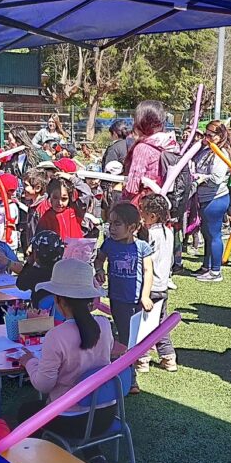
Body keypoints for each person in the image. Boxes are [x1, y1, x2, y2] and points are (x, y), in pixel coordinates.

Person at [16, 259, 116, 463]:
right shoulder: (104, 325)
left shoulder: (57, 336)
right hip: (106, 414)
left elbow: (43, 384)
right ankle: (95, 456)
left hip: (71, 418)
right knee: (87, 401)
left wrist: (29, 362)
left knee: (26, 411)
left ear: (58, 300)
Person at [95, 202, 154, 370]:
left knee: (137, 333)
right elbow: (99, 259)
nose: (112, 228)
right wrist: (99, 270)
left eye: (117, 224)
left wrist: (145, 295)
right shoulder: (109, 244)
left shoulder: (142, 247)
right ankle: (128, 369)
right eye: (110, 223)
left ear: (132, 227)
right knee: (123, 333)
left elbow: (148, 271)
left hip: (136, 299)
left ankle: (136, 359)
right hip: (117, 298)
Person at [192, 120, 231, 283]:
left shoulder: (221, 153)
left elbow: (217, 178)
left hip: (215, 199)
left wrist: (200, 179)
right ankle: (206, 266)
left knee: (214, 235)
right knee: (207, 234)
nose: (207, 137)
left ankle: (216, 271)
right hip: (205, 198)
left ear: (219, 136)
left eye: (210, 135)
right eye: (205, 134)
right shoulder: (207, 150)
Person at [138, 193, 178, 372]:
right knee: (161, 322)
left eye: (142, 212)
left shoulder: (149, 234)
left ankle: (142, 358)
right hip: (163, 284)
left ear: (152, 216)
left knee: (143, 323)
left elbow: (145, 259)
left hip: (150, 286)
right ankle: (168, 356)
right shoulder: (169, 233)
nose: (140, 215)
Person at [122, 100, 177, 204]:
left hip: (143, 203)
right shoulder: (169, 144)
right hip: (161, 202)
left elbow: (133, 186)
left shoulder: (143, 148)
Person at [16, 230, 64, 311]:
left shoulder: (33, 273)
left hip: (40, 318)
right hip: (62, 318)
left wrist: (29, 263)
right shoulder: (64, 272)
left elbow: (20, 284)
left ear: (36, 254)